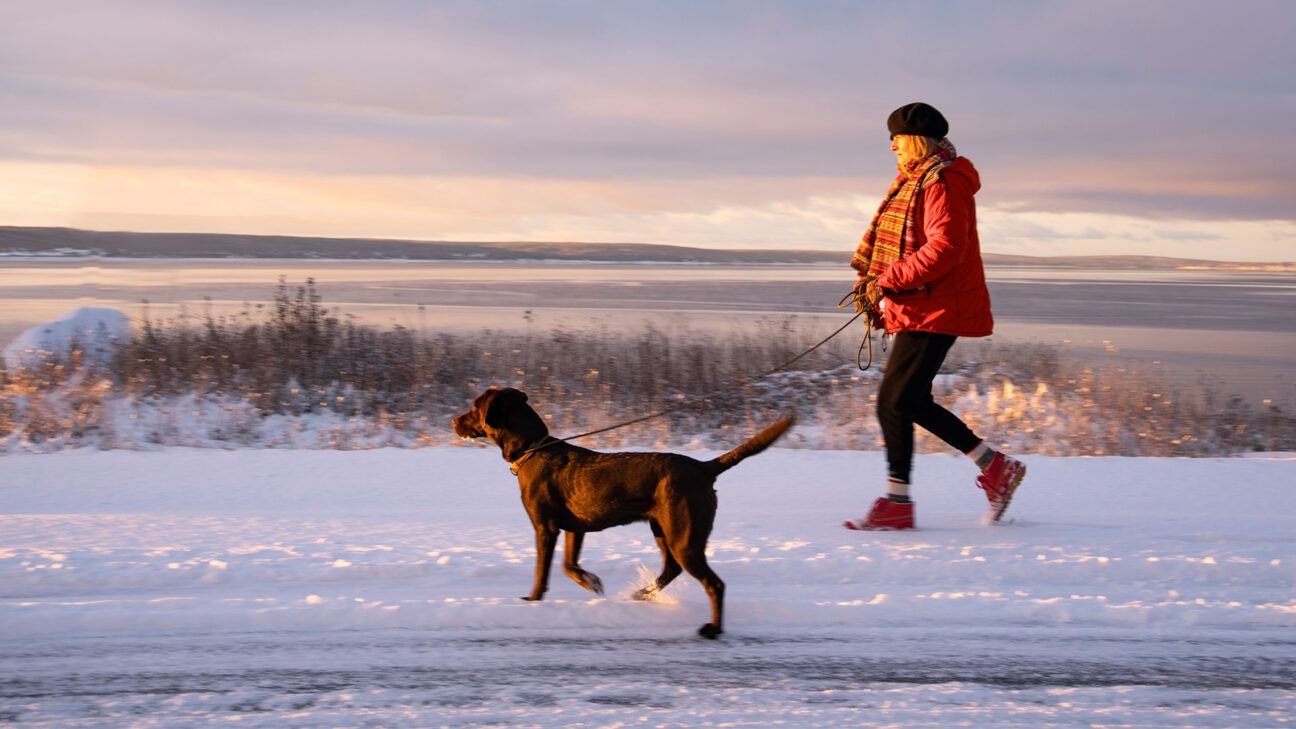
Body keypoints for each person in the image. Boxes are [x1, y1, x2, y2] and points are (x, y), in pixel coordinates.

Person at [844, 102, 1025, 530]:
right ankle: (995, 467)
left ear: (915, 139)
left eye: (896, 138)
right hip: (923, 305)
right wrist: (882, 285)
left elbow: (945, 249)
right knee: (907, 401)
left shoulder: (943, 181)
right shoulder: (917, 181)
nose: (891, 146)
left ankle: (898, 503)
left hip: (940, 307)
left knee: (895, 402)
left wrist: (886, 279)